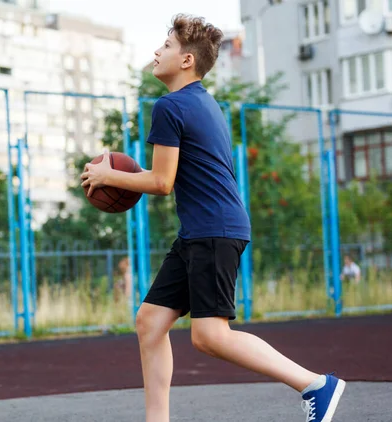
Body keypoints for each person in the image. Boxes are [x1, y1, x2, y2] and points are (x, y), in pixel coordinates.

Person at [81, 14, 346, 422]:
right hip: (203, 231)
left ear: (187, 60)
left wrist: (107, 175)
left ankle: (315, 384)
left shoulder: (171, 107)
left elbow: (162, 181)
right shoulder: (203, 102)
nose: (156, 52)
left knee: (209, 336)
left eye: (166, 46)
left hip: (213, 230)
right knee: (150, 321)